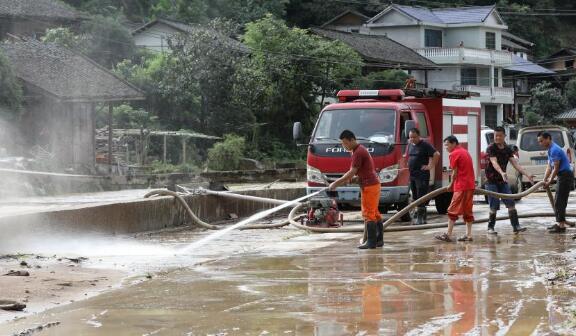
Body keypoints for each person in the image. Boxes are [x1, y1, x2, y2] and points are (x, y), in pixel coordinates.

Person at [329, 130, 382, 249]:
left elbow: (352, 171)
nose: (344, 146)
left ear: (352, 140)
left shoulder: (358, 152)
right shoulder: (357, 150)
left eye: (346, 143)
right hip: (371, 184)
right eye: (342, 144)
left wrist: (336, 183)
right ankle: (378, 240)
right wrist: (353, 179)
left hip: (370, 186)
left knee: (368, 213)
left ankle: (371, 242)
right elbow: (362, 172)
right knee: (374, 213)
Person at [484, 126, 534, 235]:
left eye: (499, 136)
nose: (497, 138)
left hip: (503, 181)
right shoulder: (491, 148)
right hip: (492, 181)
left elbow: (515, 164)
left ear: (504, 136)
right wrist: (501, 172)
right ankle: (490, 227)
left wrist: (527, 174)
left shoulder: (507, 149)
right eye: (495, 135)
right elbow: (494, 162)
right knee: (494, 205)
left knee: (511, 203)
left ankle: (516, 226)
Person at [435, 135, 476, 242]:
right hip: (470, 185)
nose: (446, 148)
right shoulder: (464, 151)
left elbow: (454, 172)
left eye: (447, 145)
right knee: (468, 210)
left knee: (452, 210)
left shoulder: (454, 154)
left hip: (461, 186)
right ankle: (469, 235)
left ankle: (448, 234)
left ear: (454, 143)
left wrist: (451, 185)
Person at [538, 131, 574, 234]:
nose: (541, 143)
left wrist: (549, 181)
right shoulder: (550, 149)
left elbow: (556, 168)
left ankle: (561, 226)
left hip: (565, 176)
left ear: (548, 138)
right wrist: (544, 180)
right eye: (539, 142)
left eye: (542, 141)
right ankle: (560, 222)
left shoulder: (554, 150)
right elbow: (549, 167)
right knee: (558, 200)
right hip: (562, 176)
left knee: (560, 201)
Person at [407, 128, 440, 224]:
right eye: (410, 137)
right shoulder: (410, 145)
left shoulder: (425, 145)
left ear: (419, 136)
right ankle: (420, 216)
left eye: (414, 137)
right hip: (412, 175)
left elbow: (436, 154)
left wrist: (430, 166)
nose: (412, 139)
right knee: (415, 196)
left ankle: (421, 218)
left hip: (422, 175)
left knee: (421, 197)